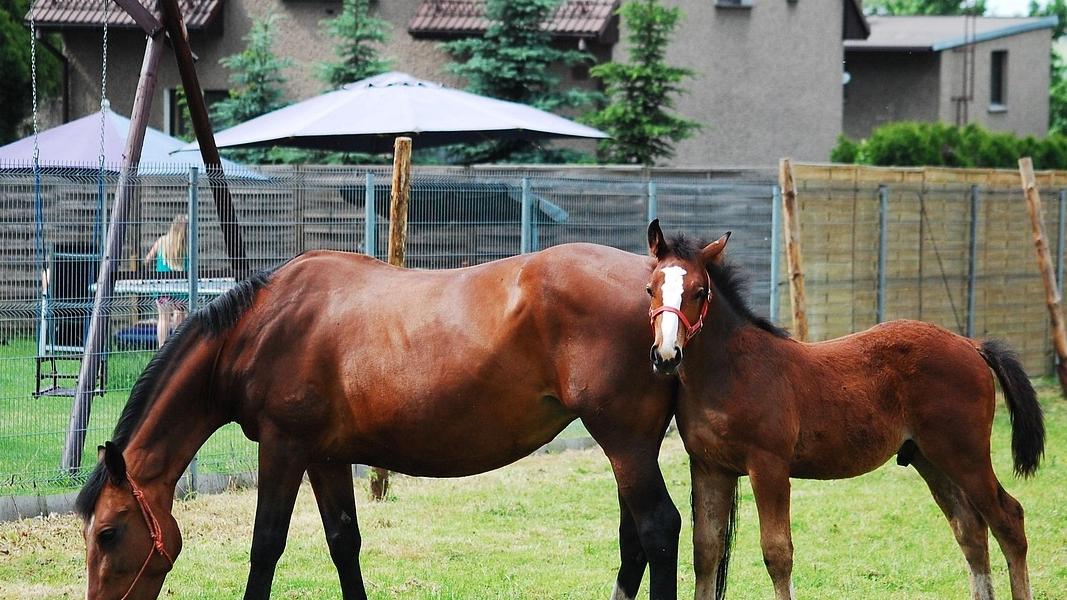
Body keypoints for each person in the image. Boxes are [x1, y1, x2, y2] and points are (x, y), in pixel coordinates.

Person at [144, 214, 189, 347]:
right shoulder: (185, 246)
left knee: (163, 318)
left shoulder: (162, 241)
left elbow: (147, 260)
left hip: (162, 286)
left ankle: (162, 348)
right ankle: (177, 347)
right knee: (179, 314)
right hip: (180, 287)